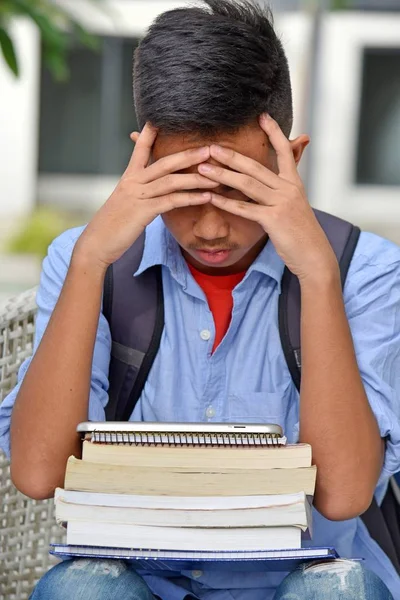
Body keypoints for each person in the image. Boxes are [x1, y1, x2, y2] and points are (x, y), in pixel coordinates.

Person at [0, 0, 399, 598]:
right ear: (143, 160)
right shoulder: (91, 261)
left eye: (237, 191)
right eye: (183, 189)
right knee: (81, 588)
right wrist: (89, 262)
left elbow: (342, 496)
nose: (211, 228)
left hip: (303, 579)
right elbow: (36, 473)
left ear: (289, 160)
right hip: (142, 580)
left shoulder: (365, 270)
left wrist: (316, 273)